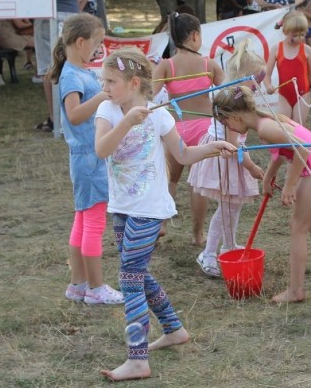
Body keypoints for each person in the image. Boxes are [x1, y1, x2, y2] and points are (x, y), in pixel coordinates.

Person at [95, 48, 235, 382]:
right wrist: (127, 121)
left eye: (111, 81)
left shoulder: (160, 115)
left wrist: (214, 148)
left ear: (134, 83)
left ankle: (138, 358)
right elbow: (102, 149)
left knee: (129, 275)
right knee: (138, 273)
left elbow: (183, 155)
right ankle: (174, 329)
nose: (105, 87)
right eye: (104, 80)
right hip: (121, 206)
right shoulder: (107, 109)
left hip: (150, 208)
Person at [212, 85, 311, 303]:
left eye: (225, 122)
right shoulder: (268, 120)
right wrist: (267, 179)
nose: (229, 128)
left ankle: (296, 291)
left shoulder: (266, 127)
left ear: (235, 116)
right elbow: (281, 153)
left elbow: (300, 147)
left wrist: (290, 184)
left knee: (298, 228)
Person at [48, 14, 122, 306]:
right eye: (97, 43)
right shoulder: (71, 76)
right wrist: (103, 97)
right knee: (93, 223)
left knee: (82, 220)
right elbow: (75, 115)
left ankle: (78, 285)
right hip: (89, 159)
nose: (98, 48)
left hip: (89, 158)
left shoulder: (79, 70)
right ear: (80, 42)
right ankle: (96, 287)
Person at [188, 40, 265, 276]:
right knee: (226, 209)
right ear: (244, 78)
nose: (259, 85)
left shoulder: (233, 95)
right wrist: (251, 167)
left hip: (231, 157)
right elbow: (233, 146)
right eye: (257, 80)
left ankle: (228, 245)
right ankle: (209, 253)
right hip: (228, 159)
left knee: (233, 207)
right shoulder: (234, 102)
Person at [152, 12, 225, 245]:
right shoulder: (209, 65)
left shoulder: (166, 66)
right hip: (203, 128)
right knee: (198, 183)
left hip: (175, 129)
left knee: (169, 180)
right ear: (195, 36)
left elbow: (149, 96)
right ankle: (197, 234)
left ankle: (162, 225)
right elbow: (227, 95)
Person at [34, 0, 79, 132]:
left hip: (47, 13)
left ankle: (55, 118)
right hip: (70, 12)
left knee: (48, 67)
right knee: (74, 66)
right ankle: (73, 114)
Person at [264, 11, 311, 125]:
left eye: (302, 35)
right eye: (295, 35)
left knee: (297, 127)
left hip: (303, 94)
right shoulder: (276, 49)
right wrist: (268, 86)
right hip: (284, 96)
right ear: (285, 31)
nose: (299, 38)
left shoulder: (307, 50)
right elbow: (267, 74)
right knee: (284, 128)